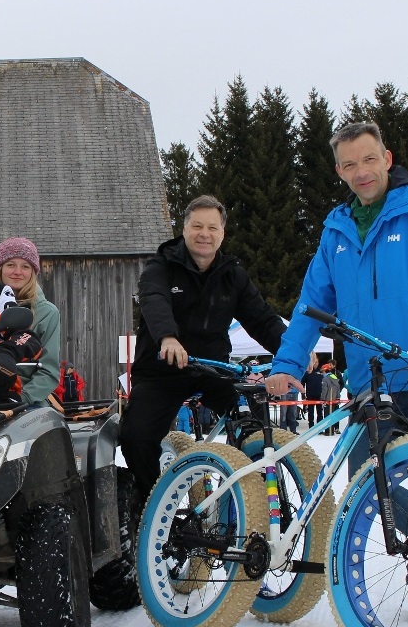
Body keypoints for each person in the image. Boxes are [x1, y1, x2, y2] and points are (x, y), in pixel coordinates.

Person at [264, 121, 408, 627]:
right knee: (367, 476)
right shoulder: (336, 229)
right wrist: (287, 363)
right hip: (371, 377)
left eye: (368, 160)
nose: (360, 172)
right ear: (339, 171)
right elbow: (310, 307)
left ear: (387, 158)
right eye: (348, 165)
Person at [119, 194, 286, 501]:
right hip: (162, 371)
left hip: (213, 370)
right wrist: (168, 337)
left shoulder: (232, 274)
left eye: (212, 227)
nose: (204, 234)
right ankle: (150, 504)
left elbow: (261, 318)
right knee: (135, 437)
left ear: (222, 233)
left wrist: (292, 351)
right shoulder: (160, 267)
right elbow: (154, 300)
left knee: (254, 417)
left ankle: (257, 494)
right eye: (197, 226)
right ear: (184, 229)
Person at [0, 237, 61, 404]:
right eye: (10, 265)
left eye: (25, 266)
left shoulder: (47, 313)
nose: (17, 271)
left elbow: (49, 371)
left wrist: (22, 399)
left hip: (26, 399)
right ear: (0, 269)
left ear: (33, 272)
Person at [321, 365, 342, 435]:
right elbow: (338, 388)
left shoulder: (325, 379)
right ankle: (332, 430)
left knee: (327, 416)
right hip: (334, 400)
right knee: (332, 416)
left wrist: (323, 399)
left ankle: (328, 431)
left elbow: (324, 390)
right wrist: (338, 397)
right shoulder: (335, 378)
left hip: (327, 400)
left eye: (322, 371)